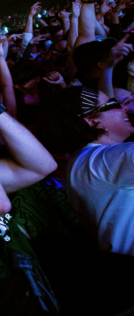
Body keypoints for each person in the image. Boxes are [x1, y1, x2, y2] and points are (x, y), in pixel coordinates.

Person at [38, 86, 134, 254]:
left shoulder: (83, 159)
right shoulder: (101, 161)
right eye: (112, 104)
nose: (124, 108)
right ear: (90, 119)